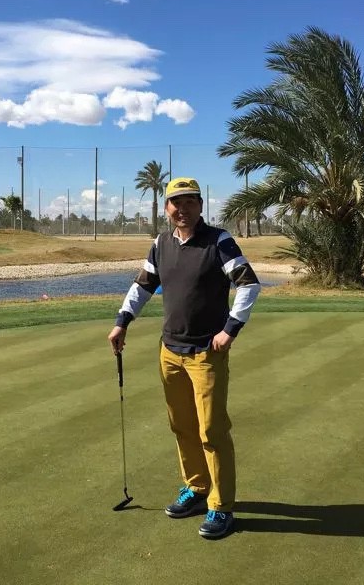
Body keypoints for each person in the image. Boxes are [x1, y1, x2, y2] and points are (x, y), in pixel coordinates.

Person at [107, 177, 261, 539]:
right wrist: (122, 321)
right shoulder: (161, 243)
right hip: (170, 351)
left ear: (201, 206)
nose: (183, 208)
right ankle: (196, 488)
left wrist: (230, 328)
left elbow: (249, 283)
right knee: (182, 426)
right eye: (176, 202)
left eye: (190, 201)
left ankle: (221, 506)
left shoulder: (218, 241)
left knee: (212, 430)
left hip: (206, 353)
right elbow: (143, 285)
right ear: (166, 208)